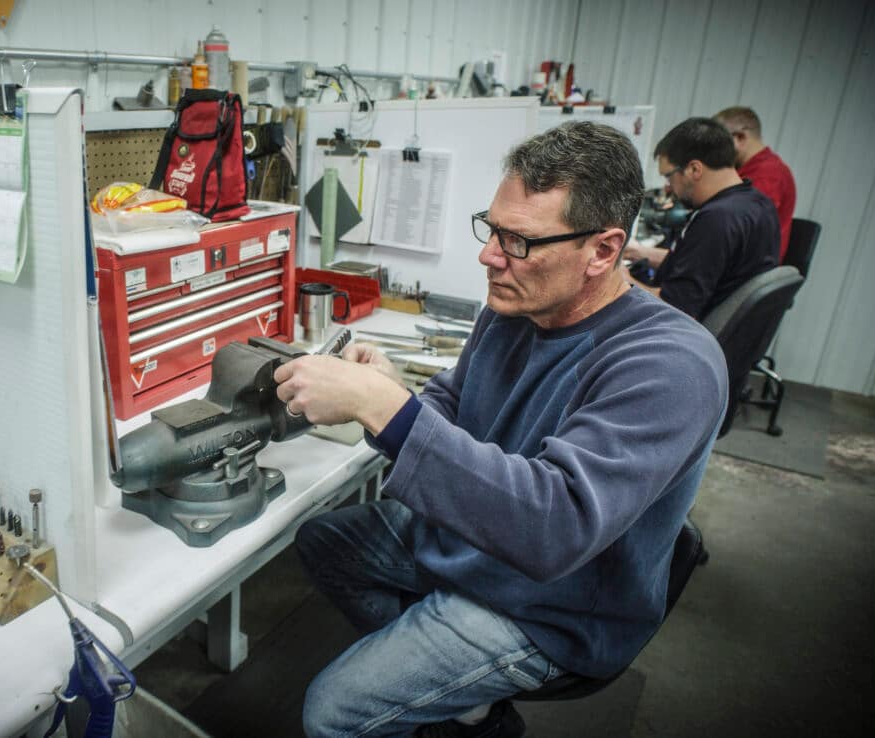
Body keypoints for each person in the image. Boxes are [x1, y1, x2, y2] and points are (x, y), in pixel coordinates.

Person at [274, 121, 727, 738]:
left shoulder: (670, 365)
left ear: (602, 249)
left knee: (334, 712)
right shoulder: (516, 306)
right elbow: (453, 403)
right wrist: (391, 393)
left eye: (519, 241)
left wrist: (383, 409)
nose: (490, 255)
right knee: (326, 543)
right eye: (492, 229)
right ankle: (464, 703)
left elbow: (556, 526)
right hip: (476, 546)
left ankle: (454, 688)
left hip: (554, 603)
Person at [623, 117, 779, 321]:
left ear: (694, 169)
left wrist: (621, 281)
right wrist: (638, 252)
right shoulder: (756, 204)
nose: (669, 187)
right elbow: (700, 265)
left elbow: (673, 309)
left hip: (684, 332)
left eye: (669, 176)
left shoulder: (717, 220)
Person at [715, 106, 796, 261]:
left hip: (747, 269)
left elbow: (737, 225)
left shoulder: (768, 174)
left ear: (739, 137)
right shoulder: (747, 170)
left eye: (719, 144)